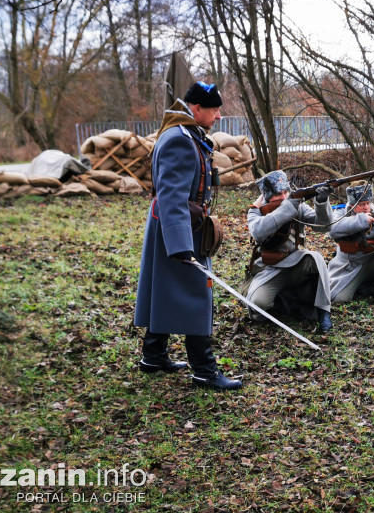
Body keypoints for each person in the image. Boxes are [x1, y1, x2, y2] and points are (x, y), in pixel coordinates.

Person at [133, 81, 242, 391]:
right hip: (178, 227)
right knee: (197, 293)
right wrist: (180, 246)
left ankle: (153, 356)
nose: (219, 116)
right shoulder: (179, 140)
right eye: (215, 110)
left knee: (164, 290)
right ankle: (205, 371)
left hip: (178, 225)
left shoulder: (187, 134)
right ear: (196, 110)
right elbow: (171, 195)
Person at [243, 170, 334, 332]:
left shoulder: (296, 204)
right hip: (270, 269)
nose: (284, 197)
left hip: (297, 264)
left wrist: (321, 202)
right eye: (279, 194)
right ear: (267, 196)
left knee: (315, 258)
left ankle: (323, 312)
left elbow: (324, 226)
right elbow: (258, 231)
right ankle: (284, 302)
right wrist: (287, 209)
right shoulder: (256, 210)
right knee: (258, 305)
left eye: (286, 192)